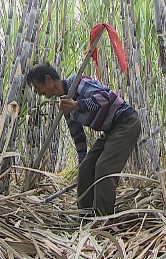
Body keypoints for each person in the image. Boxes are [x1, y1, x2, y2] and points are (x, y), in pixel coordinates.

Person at [26, 63, 141, 216]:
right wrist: (82, 161)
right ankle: (85, 216)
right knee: (86, 168)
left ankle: (103, 219)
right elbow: (78, 137)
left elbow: (106, 96)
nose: (37, 92)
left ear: (48, 80)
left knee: (104, 168)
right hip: (110, 131)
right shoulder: (65, 109)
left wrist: (78, 105)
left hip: (125, 122)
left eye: (36, 87)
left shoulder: (78, 83)